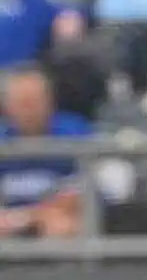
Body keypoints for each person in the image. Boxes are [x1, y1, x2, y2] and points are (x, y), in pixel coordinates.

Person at [0, 68, 92, 238]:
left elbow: (81, 193)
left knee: (62, 226)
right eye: (23, 103)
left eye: (36, 102)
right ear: (6, 107)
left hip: (56, 216)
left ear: (50, 101)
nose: (30, 111)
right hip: (8, 219)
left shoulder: (75, 133)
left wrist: (30, 217)